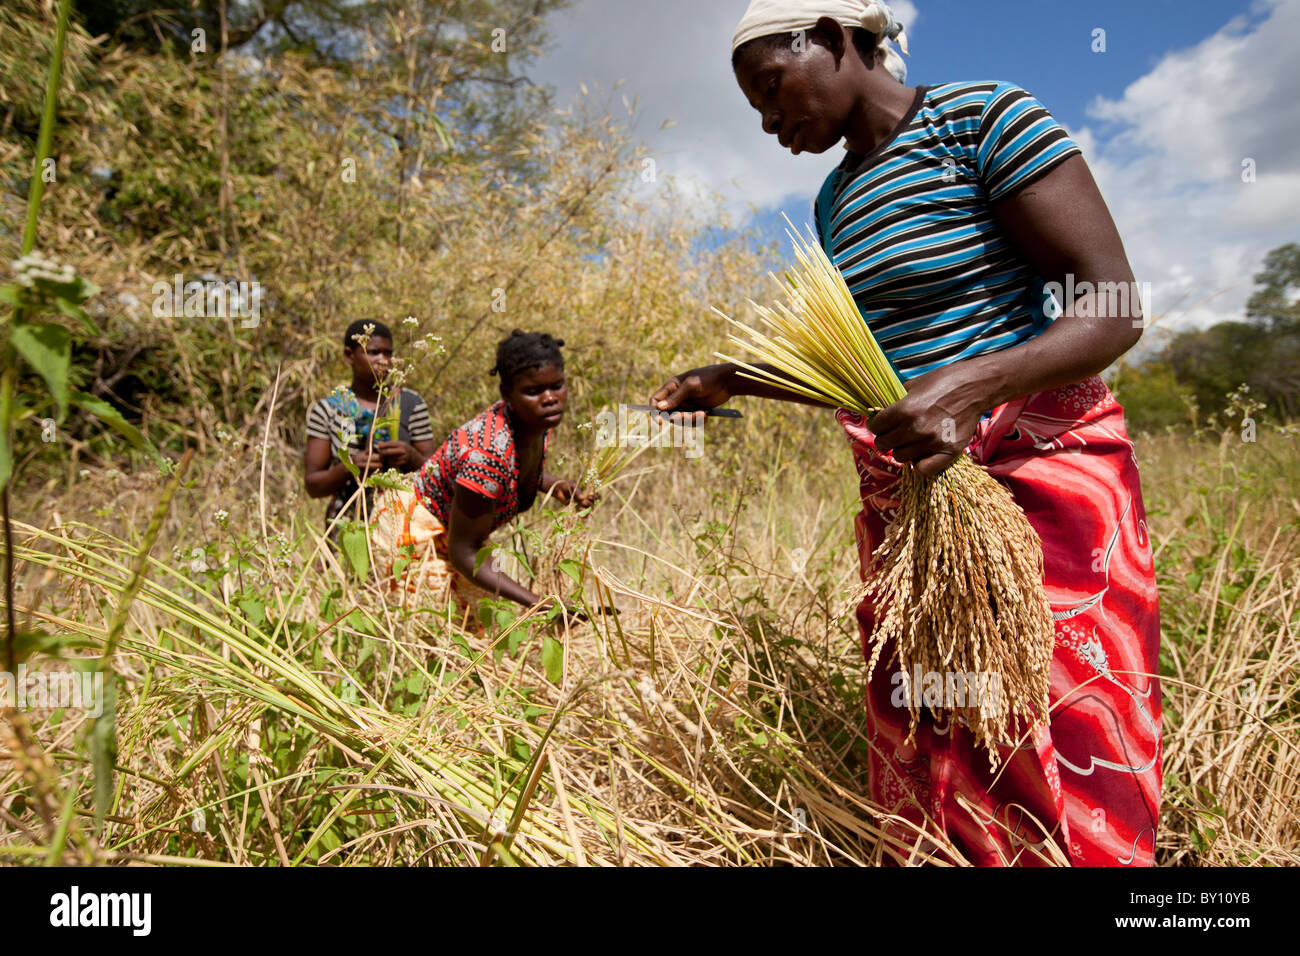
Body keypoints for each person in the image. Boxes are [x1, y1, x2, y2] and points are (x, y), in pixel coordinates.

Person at [651, 0, 1161, 866]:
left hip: (1044, 469)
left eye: (774, 88)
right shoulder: (837, 200)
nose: (771, 121)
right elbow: (875, 374)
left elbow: (1112, 304)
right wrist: (732, 379)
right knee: (945, 708)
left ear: (841, 38)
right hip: (919, 498)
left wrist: (974, 385)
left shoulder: (982, 118)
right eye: (755, 110)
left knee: (1061, 699)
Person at [372, 330, 597, 617]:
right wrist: (541, 604)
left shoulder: (535, 423)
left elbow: (513, 471)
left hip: (454, 532)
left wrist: (553, 484)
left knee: (479, 630)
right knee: (434, 632)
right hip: (413, 532)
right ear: (507, 393)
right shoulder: (487, 455)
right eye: (533, 391)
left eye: (557, 385)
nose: (550, 398)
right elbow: (465, 553)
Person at [304, 319, 436, 535]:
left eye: (388, 353)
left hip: (404, 521)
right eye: (373, 352)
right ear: (349, 355)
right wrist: (352, 466)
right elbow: (313, 485)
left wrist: (410, 457)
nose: (383, 360)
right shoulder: (328, 409)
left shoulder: (411, 404)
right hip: (347, 522)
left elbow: (434, 474)